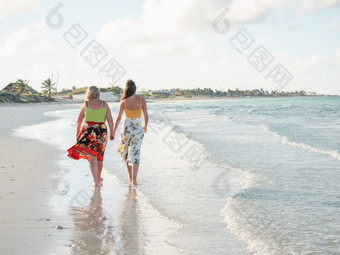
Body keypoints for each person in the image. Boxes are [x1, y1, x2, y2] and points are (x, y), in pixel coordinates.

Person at [67, 86, 114, 187]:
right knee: (99, 155)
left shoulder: (86, 104)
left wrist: (77, 132)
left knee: (92, 156)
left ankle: (95, 181)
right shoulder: (104, 104)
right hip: (102, 131)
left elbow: (79, 120)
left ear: (88, 93)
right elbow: (110, 120)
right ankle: (98, 177)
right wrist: (112, 132)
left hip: (89, 131)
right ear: (98, 93)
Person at [113, 80, 148, 186]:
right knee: (136, 152)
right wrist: (145, 125)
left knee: (127, 152)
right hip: (137, 127)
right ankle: (134, 179)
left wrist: (114, 130)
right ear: (135, 88)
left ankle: (129, 176)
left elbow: (119, 117)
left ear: (126, 89)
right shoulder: (142, 100)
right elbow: (146, 115)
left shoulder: (123, 101)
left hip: (126, 127)